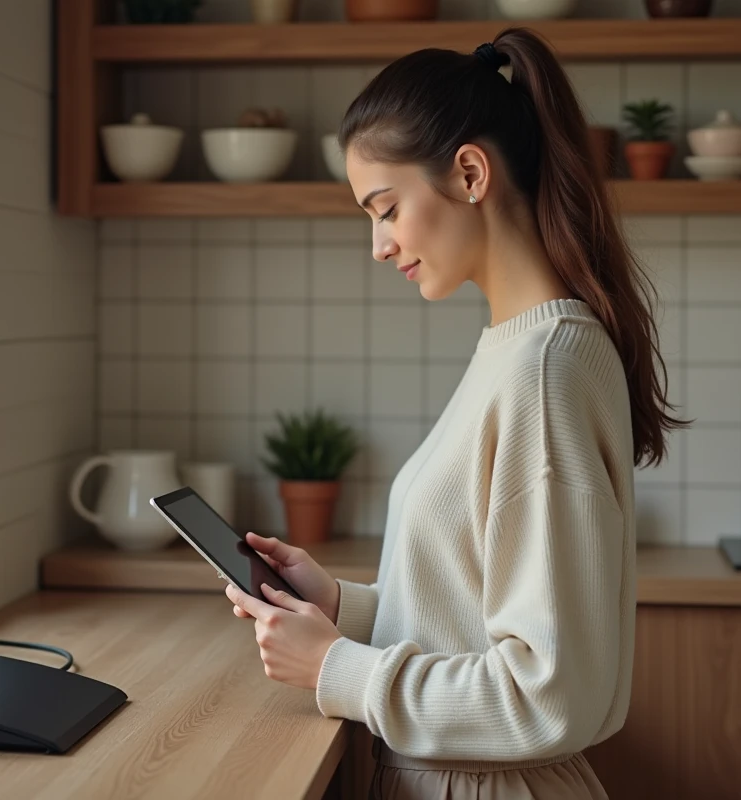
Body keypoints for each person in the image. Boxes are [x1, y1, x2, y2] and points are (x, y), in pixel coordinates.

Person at [222, 26, 689, 800]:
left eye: (385, 208)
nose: (378, 245)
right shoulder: (519, 351)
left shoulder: (543, 373)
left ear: (469, 172)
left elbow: (548, 694)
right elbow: (472, 612)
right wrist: (342, 607)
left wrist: (339, 669)